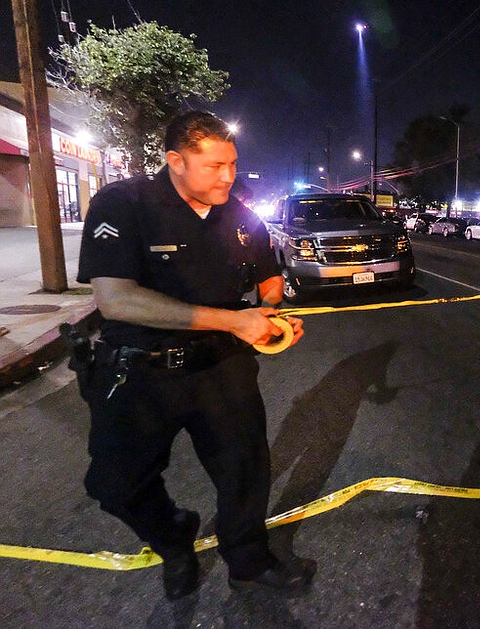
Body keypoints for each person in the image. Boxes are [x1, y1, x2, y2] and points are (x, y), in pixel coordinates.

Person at [76, 111, 313, 600]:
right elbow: (116, 299)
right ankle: (173, 538)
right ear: (175, 161)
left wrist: (269, 316)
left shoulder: (241, 216)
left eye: (233, 163)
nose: (229, 176)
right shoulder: (124, 204)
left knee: (245, 470)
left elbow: (270, 277)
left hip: (223, 369)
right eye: (215, 166)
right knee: (115, 485)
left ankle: (248, 560)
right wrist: (234, 320)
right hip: (139, 371)